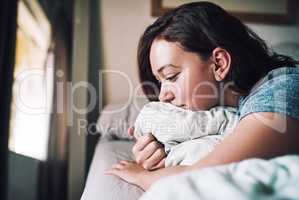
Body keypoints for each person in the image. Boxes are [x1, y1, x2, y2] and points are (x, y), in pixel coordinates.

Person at [105, 2, 299, 191]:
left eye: (171, 76)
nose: (163, 95)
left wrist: (140, 175)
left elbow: (200, 177)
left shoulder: (279, 91)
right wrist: (162, 151)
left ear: (219, 64)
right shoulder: (232, 108)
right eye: (160, 81)